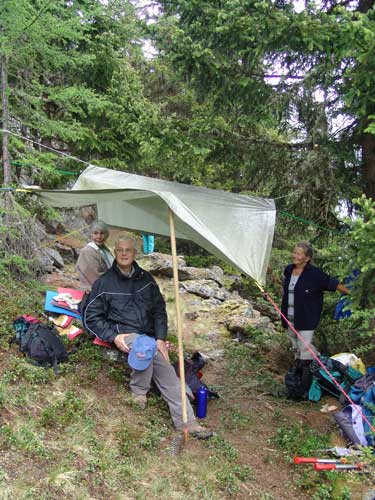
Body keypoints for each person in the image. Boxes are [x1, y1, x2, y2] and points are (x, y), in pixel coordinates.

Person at [82, 234, 212, 439]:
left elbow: (160, 311)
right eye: (120, 250)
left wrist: (160, 338)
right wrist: (113, 336)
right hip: (123, 333)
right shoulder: (105, 282)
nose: (124, 254)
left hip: (149, 338)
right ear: (115, 253)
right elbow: (91, 316)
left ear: (135, 253)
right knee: (144, 344)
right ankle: (139, 391)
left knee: (169, 375)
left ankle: (188, 423)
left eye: (128, 250)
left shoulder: (146, 279)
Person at [281, 241, 349, 397]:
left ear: (307, 258)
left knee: (305, 352)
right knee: (297, 350)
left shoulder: (315, 274)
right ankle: (296, 384)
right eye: (294, 252)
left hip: (306, 319)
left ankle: (304, 390)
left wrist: (353, 294)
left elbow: (334, 284)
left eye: (298, 253)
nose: (294, 255)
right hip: (289, 318)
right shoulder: (289, 270)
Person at [76, 220, 114, 292]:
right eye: (95, 233)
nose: (99, 236)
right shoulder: (87, 252)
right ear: (91, 234)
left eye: (102, 233)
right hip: (94, 293)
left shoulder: (105, 250)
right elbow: (95, 278)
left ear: (107, 235)